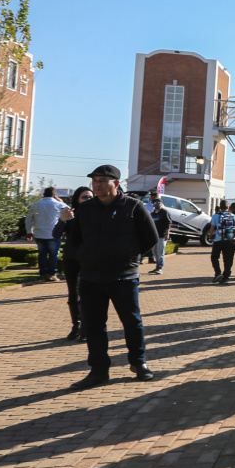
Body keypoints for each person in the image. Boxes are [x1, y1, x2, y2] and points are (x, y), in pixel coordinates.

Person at [68, 165, 159, 390]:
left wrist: (130, 258)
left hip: (123, 278)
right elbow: (75, 239)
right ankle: (98, 371)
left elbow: (151, 237)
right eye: (94, 181)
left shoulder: (133, 207)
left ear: (115, 184)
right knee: (94, 325)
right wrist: (85, 257)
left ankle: (139, 363)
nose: (97, 185)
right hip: (90, 278)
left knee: (131, 322)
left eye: (102, 181)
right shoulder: (85, 209)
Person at [53, 186, 93, 341]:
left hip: (89, 259)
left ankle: (85, 327)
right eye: (84, 197)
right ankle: (75, 325)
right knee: (73, 294)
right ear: (77, 199)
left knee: (87, 294)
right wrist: (63, 220)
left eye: (90, 197)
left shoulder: (96, 214)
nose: (88, 200)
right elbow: (55, 234)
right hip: (71, 258)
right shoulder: (69, 214)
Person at [25, 187, 68, 282]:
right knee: (53, 255)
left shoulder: (35, 204)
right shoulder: (59, 204)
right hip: (54, 234)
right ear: (54, 195)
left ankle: (43, 274)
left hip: (39, 233)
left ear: (44, 194)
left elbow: (29, 219)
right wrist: (61, 201)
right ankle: (52, 274)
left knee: (42, 254)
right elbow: (70, 214)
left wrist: (29, 231)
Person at [209, 200, 235, 284]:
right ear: (228, 207)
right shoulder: (233, 216)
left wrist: (210, 236)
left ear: (220, 207)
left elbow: (212, 228)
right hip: (229, 240)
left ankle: (218, 273)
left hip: (218, 240)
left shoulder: (216, 216)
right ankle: (226, 277)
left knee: (214, 257)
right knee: (228, 259)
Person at [148, 196, 171, 275]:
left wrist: (167, 233)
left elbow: (168, 224)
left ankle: (160, 267)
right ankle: (157, 266)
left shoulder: (164, 212)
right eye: (155, 202)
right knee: (154, 252)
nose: (157, 204)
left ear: (161, 203)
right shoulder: (152, 214)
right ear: (153, 204)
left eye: (158, 202)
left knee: (160, 253)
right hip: (154, 236)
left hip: (162, 236)